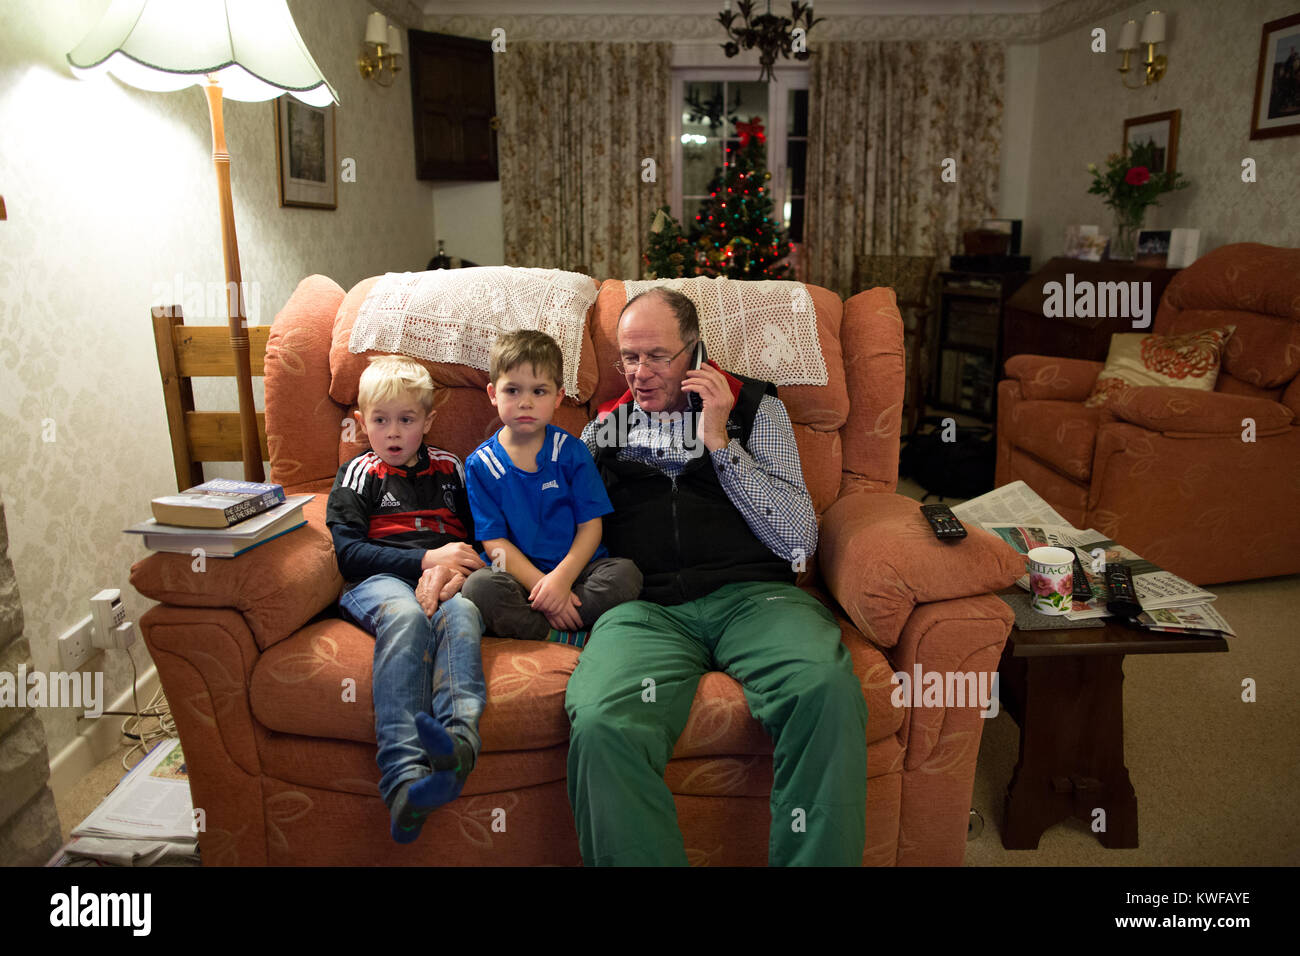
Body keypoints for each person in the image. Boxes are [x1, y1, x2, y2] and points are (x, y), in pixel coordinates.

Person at [566, 287, 868, 866]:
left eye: (658, 356)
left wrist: (720, 443)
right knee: (603, 721)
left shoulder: (756, 408)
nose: (640, 373)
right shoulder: (604, 428)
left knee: (824, 692)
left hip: (757, 599)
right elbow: (566, 525)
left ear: (696, 353)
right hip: (645, 609)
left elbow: (799, 539)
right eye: (629, 358)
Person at [325, 355, 487, 844]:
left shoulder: (451, 469)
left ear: (429, 420)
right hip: (379, 580)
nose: (392, 433)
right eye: (379, 420)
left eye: (406, 420)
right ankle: (402, 781)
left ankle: (458, 745)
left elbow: (480, 534)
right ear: (360, 423)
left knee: (462, 617)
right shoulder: (359, 473)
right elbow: (349, 553)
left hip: (446, 579)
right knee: (407, 617)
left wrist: (457, 571)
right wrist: (424, 562)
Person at [462, 330, 641, 648]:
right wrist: (545, 588)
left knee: (626, 576)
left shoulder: (571, 451)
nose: (526, 402)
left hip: (578, 573)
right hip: (520, 580)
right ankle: (557, 632)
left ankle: (548, 623)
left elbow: (591, 525)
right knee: (478, 588)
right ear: (493, 393)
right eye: (513, 390)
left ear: (558, 397)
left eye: (539, 391)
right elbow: (494, 541)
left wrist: (561, 581)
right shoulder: (480, 463)